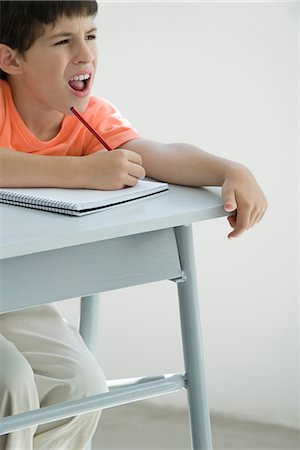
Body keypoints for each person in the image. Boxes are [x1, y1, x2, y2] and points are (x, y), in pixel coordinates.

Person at [0, 1, 268, 449]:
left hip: (17, 289)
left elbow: (156, 155)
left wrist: (229, 169)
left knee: (82, 385)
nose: (84, 54)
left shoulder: (90, 117)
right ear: (11, 59)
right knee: (11, 382)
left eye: (91, 35)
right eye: (63, 41)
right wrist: (82, 173)